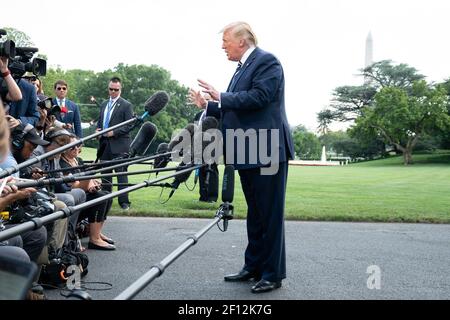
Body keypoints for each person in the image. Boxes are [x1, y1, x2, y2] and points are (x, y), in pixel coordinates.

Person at [188, 22, 295, 293]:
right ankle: (254, 266)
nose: (222, 46)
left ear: (242, 41)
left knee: (269, 214)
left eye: (225, 40)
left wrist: (221, 96)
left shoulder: (267, 61)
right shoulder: (243, 68)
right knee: (256, 214)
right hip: (249, 150)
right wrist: (209, 104)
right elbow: (237, 105)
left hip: (268, 150)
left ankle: (273, 274)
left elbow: (259, 97)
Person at [60, 137, 115, 250]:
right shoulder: (63, 164)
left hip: (83, 194)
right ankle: (94, 239)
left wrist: (93, 183)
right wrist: (89, 177)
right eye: (72, 146)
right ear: (64, 147)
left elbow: (86, 181)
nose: (76, 148)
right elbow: (75, 187)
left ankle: (97, 232)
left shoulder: (78, 160)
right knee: (100, 198)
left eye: (78, 145)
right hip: (73, 200)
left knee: (107, 195)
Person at [96, 77, 134, 210]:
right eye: (111, 89)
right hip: (104, 144)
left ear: (120, 89)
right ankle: (106, 199)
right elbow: (100, 121)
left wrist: (114, 132)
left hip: (119, 144)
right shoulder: (104, 104)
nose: (113, 92)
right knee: (105, 173)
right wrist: (98, 130)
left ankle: (124, 202)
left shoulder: (126, 105)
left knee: (121, 174)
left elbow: (130, 125)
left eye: (116, 90)